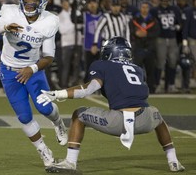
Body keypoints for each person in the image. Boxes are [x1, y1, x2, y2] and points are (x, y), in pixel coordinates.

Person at [37, 36, 185, 173]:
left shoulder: (102, 65)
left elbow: (88, 89)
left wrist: (58, 94)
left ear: (109, 52)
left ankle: (70, 162)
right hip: (146, 119)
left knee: (79, 114)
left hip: (118, 121)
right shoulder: (138, 69)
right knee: (157, 116)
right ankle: (173, 161)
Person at [0, 0, 67, 167]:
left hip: (33, 70)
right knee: (24, 117)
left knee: (45, 109)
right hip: (9, 72)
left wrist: (31, 69)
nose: (30, 2)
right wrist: (7, 26)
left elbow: (48, 57)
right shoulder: (11, 12)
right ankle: (43, 150)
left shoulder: (49, 21)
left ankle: (58, 123)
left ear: (43, 2)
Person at [150, 0, 182, 93]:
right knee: (160, 62)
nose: (164, 2)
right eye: (163, 0)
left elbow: (180, 23)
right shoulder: (155, 10)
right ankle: (158, 85)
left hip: (172, 38)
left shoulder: (175, 9)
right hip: (160, 38)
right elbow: (152, 23)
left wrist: (177, 27)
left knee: (173, 61)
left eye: (166, 0)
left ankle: (171, 85)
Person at [130, 0, 160, 93]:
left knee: (150, 70)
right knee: (137, 71)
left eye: (146, 7)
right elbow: (131, 31)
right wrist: (136, 33)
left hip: (150, 48)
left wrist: (146, 34)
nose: (145, 9)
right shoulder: (134, 19)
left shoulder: (153, 20)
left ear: (149, 8)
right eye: (143, 7)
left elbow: (157, 32)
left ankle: (151, 89)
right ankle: (137, 89)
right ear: (140, 8)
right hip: (138, 48)